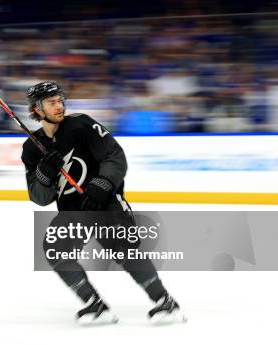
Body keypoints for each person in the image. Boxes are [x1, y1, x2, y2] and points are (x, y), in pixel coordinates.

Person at [21, 81, 184, 324]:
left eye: (60, 101)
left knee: (125, 251)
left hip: (105, 203)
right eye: (52, 102)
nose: (59, 106)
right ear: (37, 109)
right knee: (55, 247)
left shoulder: (81, 125)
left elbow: (114, 156)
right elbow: (39, 197)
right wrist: (44, 173)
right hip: (73, 212)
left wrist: (103, 183)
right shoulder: (32, 148)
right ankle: (94, 304)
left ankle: (165, 302)